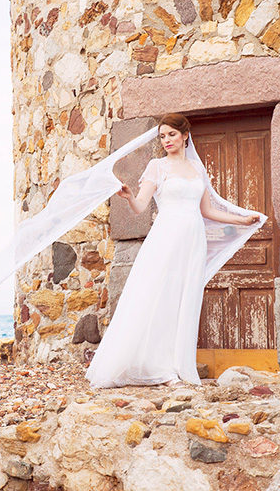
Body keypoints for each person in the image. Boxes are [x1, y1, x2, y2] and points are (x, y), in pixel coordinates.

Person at [84, 113, 260, 389]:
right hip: (166, 239)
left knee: (184, 299)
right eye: (162, 136)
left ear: (185, 135)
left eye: (171, 135)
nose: (166, 140)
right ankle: (159, 370)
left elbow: (208, 211)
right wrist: (130, 196)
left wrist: (242, 219)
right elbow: (142, 207)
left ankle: (177, 365)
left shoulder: (196, 169)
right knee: (157, 297)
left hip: (192, 241)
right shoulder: (157, 167)